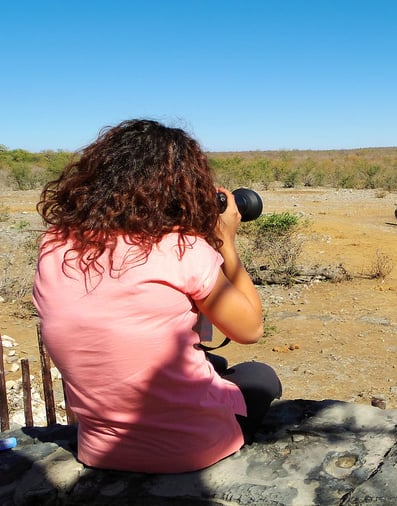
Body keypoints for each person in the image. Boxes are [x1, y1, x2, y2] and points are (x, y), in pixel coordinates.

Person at [32, 119, 282, 474]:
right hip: (193, 449)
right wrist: (225, 241)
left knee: (211, 363)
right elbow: (251, 329)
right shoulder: (183, 250)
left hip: (99, 450)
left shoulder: (56, 246)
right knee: (259, 375)